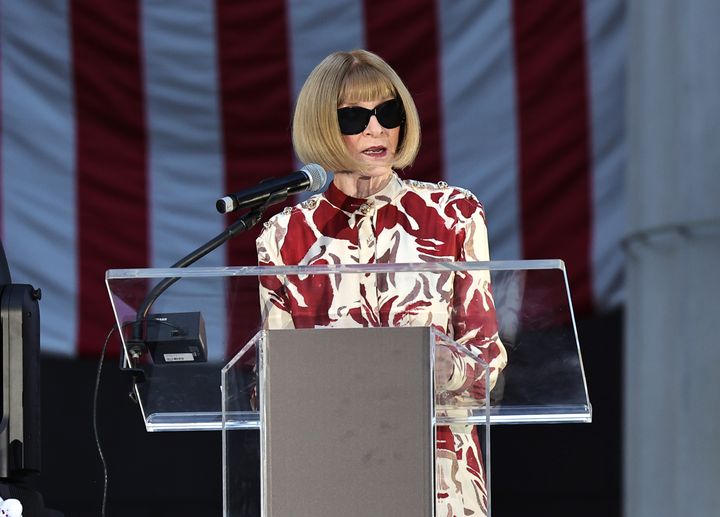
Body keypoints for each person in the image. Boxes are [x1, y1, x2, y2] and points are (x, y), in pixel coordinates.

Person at [256, 49, 507, 517]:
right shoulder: (285, 235)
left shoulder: (453, 214)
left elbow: (487, 362)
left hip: (438, 470)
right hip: (330, 468)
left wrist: (435, 366)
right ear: (322, 126)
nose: (377, 129)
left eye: (387, 111)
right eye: (354, 116)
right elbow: (272, 379)